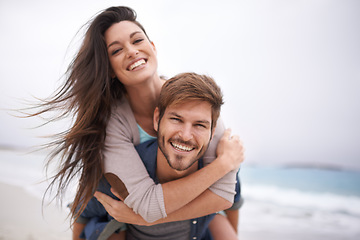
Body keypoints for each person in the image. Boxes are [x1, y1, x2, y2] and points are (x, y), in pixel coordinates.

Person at [28, 5, 244, 238]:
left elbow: (225, 195)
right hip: (122, 216)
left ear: (153, 47)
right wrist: (223, 164)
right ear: (110, 69)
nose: (131, 51)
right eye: (117, 50)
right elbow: (144, 205)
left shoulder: (194, 100)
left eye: (137, 40)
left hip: (180, 215)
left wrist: (142, 217)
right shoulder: (113, 123)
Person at [78, 72, 242, 240]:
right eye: (176, 119)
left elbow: (233, 204)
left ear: (212, 132)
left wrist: (144, 219)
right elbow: (82, 213)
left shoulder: (221, 165)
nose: (186, 136)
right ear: (157, 120)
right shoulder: (126, 174)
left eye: (199, 125)